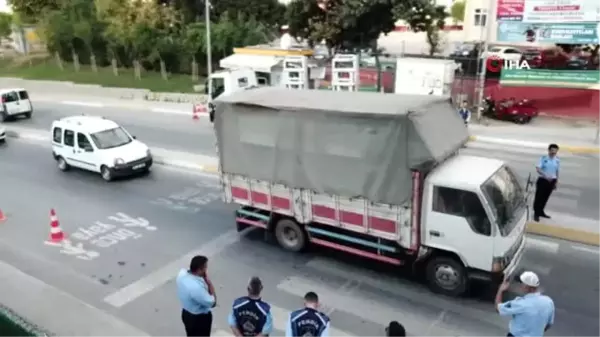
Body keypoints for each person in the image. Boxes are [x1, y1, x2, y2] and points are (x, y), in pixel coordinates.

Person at [495, 271, 555, 337]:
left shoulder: (521, 303)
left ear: (528, 288)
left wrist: (500, 290)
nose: (520, 285)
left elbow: (498, 308)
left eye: (522, 284)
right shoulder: (548, 302)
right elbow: (549, 324)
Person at [176, 255, 217, 337]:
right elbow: (213, 302)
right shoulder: (196, 288)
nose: (206, 270)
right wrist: (209, 282)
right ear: (199, 270)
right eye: (205, 267)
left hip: (186, 313)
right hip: (199, 319)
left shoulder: (182, 274)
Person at [533, 144, 560, 222]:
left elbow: (557, 171)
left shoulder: (557, 160)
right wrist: (545, 175)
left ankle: (541, 212)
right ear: (549, 150)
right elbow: (538, 169)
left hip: (552, 181)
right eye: (552, 150)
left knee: (545, 198)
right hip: (543, 180)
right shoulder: (543, 158)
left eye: (555, 151)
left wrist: (556, 182)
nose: (553, 152)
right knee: (539, 197)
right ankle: (536, 213)